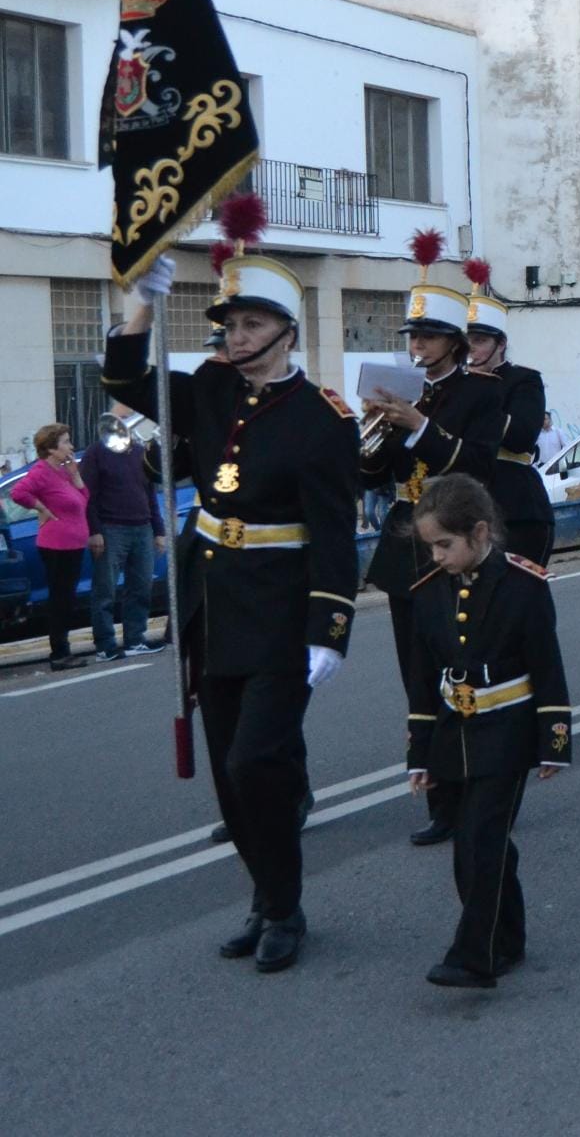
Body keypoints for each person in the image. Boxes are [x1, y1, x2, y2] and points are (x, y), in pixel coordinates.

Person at [103, 225, 359, 974]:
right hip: (212, 608)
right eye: (229, 325)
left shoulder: (323, 419)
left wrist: (330, 630)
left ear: (284, 331)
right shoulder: (213, 388)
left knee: (259, 763)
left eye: (250, 324)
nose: (236, 336)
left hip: (281, 618)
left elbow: (337, 536)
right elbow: (125, 384)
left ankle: (285, 906)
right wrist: (141, 306)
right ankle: (268, 898)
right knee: (226, 773)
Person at [363, 232, 504, 847]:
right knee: (417, 676)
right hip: (406, 548)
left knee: (467, 665)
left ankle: (485, 780)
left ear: (453, 341)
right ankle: (440, 796)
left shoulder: (483, 393)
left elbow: (479, 466)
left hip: (461, 544)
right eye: (411, 338)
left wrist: (419, 426)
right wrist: (367, 429)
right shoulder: (399, 392)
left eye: (426, 338)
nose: (416, 347)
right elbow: (370, 472)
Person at [405, 474, 570, 989]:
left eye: (445, 545)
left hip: (509, 728)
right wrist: (420, 754)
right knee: (473, 848)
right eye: (430, 546)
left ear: (479, 533)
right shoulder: (427, 594)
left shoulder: (524, 585)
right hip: (454, 731)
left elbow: (548, 668)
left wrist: (554, 741)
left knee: (482, 841)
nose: (436, 556)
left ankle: (472, 955)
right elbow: (420, 682)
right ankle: (508, 938)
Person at [464, 260, 555, 566]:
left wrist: (477, 398)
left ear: (500, 344)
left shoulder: (523, 380)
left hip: (516, 505)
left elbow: (520, 437)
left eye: (479, 341)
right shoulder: (456, 385)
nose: (470, 350)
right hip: (465, 506)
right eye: (465, 342)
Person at [81, 406, 167, 661]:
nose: (127, 423)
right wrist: (95, 531)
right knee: (105, 590)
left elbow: (150, 493)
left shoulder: (141, 452)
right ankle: (105, 645)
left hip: (142, 528)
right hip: (111, 528)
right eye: (123, 419)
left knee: (141, 587)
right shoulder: (96, 453)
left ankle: (135, 639)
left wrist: (158, 530)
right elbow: (88, 496)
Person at [13, 423, 91, 672]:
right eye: (66, 442)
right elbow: (18, 492)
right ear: (51, 448)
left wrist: (76, 475)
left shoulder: (63, 471)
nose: (71, 446)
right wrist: (42, 508)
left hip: (74, 544)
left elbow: (83, 500)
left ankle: (63, 649)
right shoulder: (41, 471)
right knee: (60, 600)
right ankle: (59, 653)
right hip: (57, 545)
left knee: (67, 600)